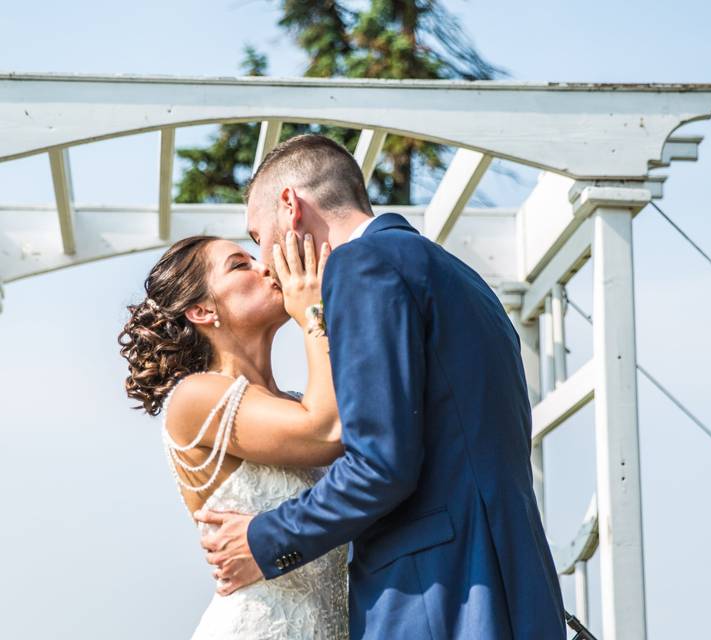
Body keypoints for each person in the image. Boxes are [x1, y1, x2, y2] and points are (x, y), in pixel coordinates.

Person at [194, 133, 566, 639]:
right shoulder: (461, 277)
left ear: (290, 206)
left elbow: (381, 464)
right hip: (512, 585)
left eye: (258, 236)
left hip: (436, 596)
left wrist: (265, 538)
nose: (263, 261)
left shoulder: (361, 265)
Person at [119, 230, 349, 639]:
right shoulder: (196, 397)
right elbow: (328, 429)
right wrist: (314, 309)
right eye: (240, 265)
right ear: (202, 310)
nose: (265, 267)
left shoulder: (296, 402)